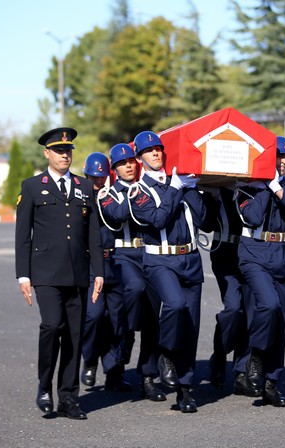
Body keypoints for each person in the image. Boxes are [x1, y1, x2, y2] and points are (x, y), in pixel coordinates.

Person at [15, 127, 104, 420]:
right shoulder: (31, 187)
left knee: (75, 337)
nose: (65, 155)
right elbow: (23, 236)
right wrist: (23, 275)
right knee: (52, 326)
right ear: (47, 153)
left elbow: (93, 233)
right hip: (46, 273)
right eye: (59, 150)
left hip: (78, 272)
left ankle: (68, 397)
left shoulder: (84, 187)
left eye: (68, 151)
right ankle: (44, 386)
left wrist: (98, 272)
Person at [129, 130, 206, 413]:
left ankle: (185, 390)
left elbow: (205, 221)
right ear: (139, 158)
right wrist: (175, 188)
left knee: (191, 326)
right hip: (159, 261)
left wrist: (192, 189)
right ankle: (165, 353)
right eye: (150, 151)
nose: (156, 154)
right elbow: (158, 220)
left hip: (191, 259)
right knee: (173, 306)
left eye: (159, 149)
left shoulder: (181, 184)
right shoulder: (138, 191)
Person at [235, 136, 285, 407]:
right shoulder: (248, 187)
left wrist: (279, 190)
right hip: (254, 252)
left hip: (284, 255)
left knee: (281, 320)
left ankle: (271, 383)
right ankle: (255, 356)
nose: (283, 162)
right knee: (268, 305)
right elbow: (252, 217)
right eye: (279, 157)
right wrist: (267, 188)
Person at [98, 143, 166, 402]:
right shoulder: (107, 193)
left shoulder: (147, 188)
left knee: (152, 319)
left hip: (149, 254)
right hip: (123, 255)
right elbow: (114, 215)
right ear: (114, 169)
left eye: (131, 162)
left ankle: (147, 378)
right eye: (121, 163)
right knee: (135, 289)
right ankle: (123, 339)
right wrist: (137, 196)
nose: (128, 166)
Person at [80, 152, 132, 393]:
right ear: (86, 174)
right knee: (94, 315)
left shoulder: (113, 196)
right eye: (93, 177)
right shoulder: (79, 198)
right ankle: (89, 359)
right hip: (91, 265)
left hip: (116, 261)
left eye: (101, 177)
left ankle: (114, 372)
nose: (97, 182)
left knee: (117, 320)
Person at [202, 185, 251, 392]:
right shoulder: (217, 189)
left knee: (250, 312)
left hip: (250, 252)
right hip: (224, 251)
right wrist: (211, 197)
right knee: (233, 308)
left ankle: (241, 372)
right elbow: (205, 224)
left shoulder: (251, 188)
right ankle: (219, 355)